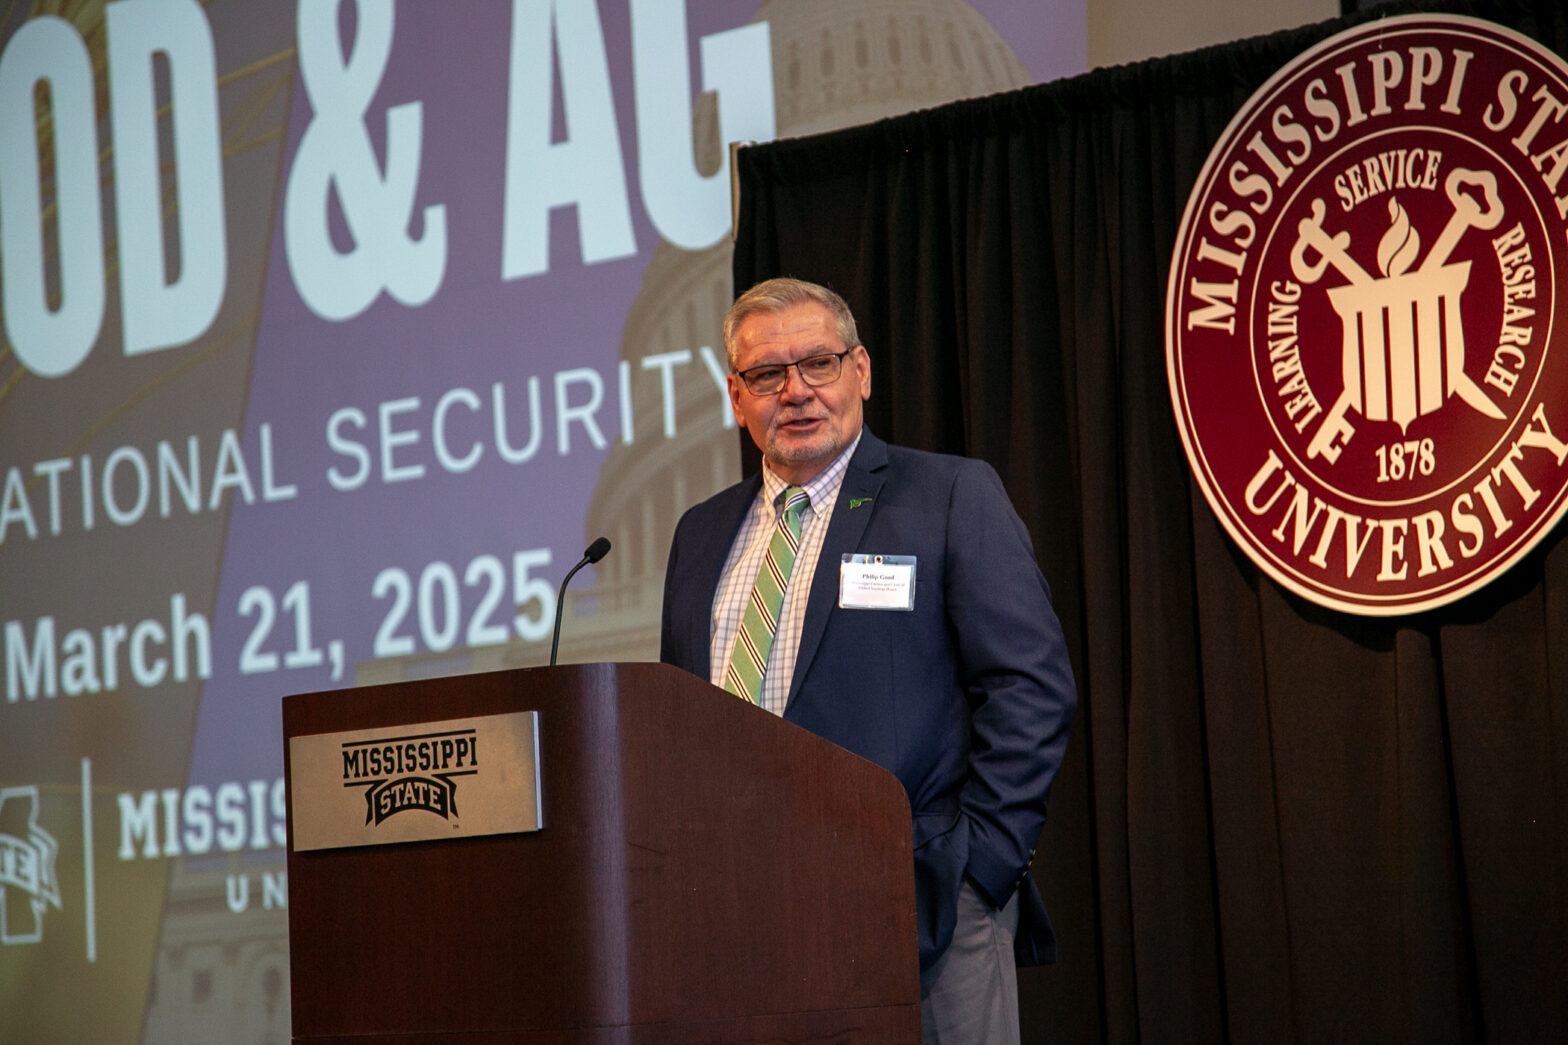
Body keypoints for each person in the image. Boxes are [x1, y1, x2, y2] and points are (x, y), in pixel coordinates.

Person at [660, 277, 1076, 1043]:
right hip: (744, 919)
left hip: (924, 906)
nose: (796, 391)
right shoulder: (699, 533)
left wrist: (981, 868)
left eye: (818, 363)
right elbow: (679, 725)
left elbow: (1031, 686)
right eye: (767, 374)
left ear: (862, 372)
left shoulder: (948, 495)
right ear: (736, 396)